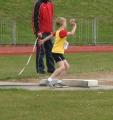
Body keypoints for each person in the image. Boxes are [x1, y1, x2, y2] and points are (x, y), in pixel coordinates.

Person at [38, 17, 77, 87]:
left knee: (67, 66)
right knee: (62, 67)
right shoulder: (62, 31)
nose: (66, 24)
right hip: (56, 52)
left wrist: (43, 40)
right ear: (62, 23)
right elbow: (72, 33)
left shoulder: (59, 31)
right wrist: (75, 25)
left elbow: (50, 36)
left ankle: (59, 81)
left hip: (58, 52)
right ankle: (49, 80)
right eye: (65, 22)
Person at [32, 0, 55, 74]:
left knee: (50, 50)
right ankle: (40, 69)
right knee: (41, 51)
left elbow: (51, 17)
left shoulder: (50, 3)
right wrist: (38, 31)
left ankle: (51, 69)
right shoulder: (38, 4)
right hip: (41, 32)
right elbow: (35, 18)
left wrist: (51, 30)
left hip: (49, 31)